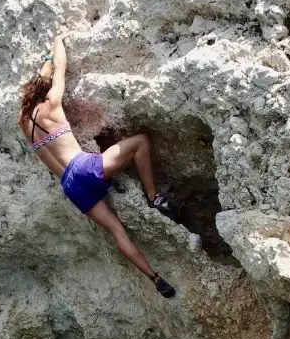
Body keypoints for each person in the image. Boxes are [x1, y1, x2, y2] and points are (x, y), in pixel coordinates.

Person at [18, 33, 179, 298]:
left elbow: (38, 83)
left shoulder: (24, 124)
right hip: (83, 167)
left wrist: (42, 69)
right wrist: (56, 42)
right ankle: (154, 197)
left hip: (70, 186)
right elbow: (60, 68)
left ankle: (156, 278)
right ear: (44, 92)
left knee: (117, 230)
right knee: (140, 142)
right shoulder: (52, 105)